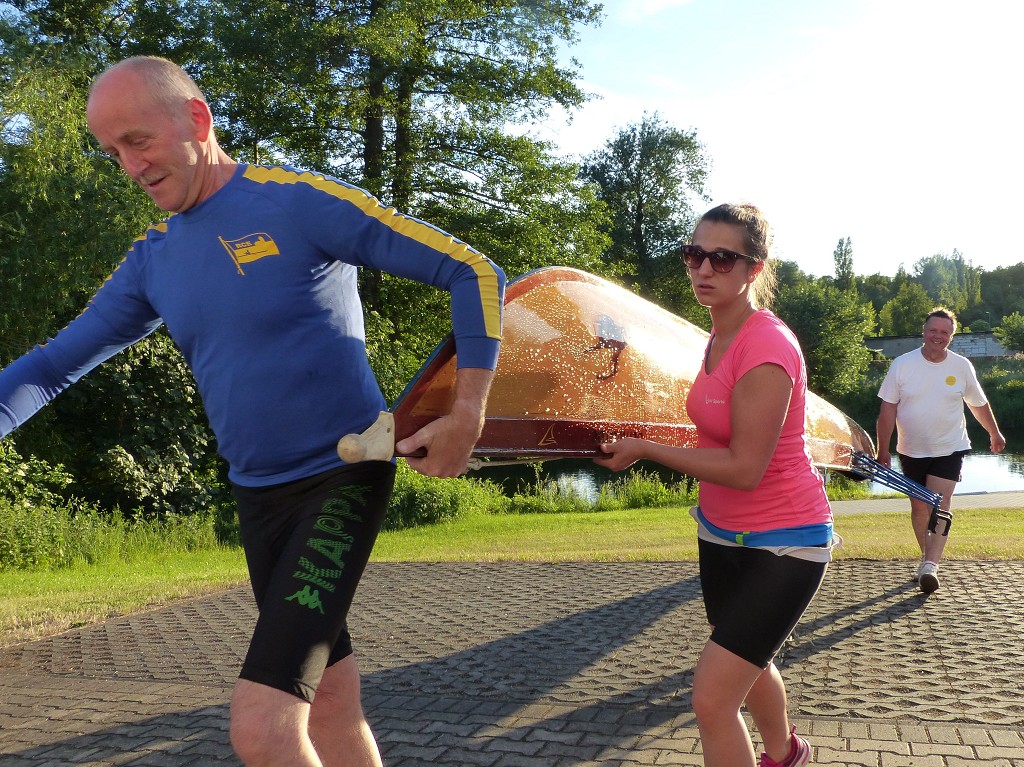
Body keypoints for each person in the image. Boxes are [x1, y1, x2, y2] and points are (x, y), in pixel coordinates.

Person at [0, 56, 505, 767]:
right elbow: (51, 367)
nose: (130, 167)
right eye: (112, 152)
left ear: (197, 119)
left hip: (342, 475)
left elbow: (473, 271)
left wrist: (468, 410)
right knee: (330, 704)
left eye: (138, 141)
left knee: (263, 727)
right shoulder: (153, 260)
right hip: (257, 497)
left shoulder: (294, 202)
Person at [595, 203, 826, 767]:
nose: (703, 269)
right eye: (694, 254)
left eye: (722, 258)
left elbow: (746, 468)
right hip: (720, 532)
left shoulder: (766, 346)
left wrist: (647, 449)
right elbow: (714, 427)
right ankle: (786, 753)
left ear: (754, 268)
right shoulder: (716, 334)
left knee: (712, 700)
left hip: (785, 542)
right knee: (750, 658)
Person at [875, 308, 1004, 594]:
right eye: (933, 330)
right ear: (924, 331)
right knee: (920, 507)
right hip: (911, 450)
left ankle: (931, 566)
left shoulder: (961, 366)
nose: (938, 336)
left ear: (951, 336)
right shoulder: (902, 364)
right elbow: (887, 410)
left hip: (950, 447)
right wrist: (883, 450)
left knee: (941, 505)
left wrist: (994, 433)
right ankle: (926, 560)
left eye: (944, 332)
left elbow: (977, 404)